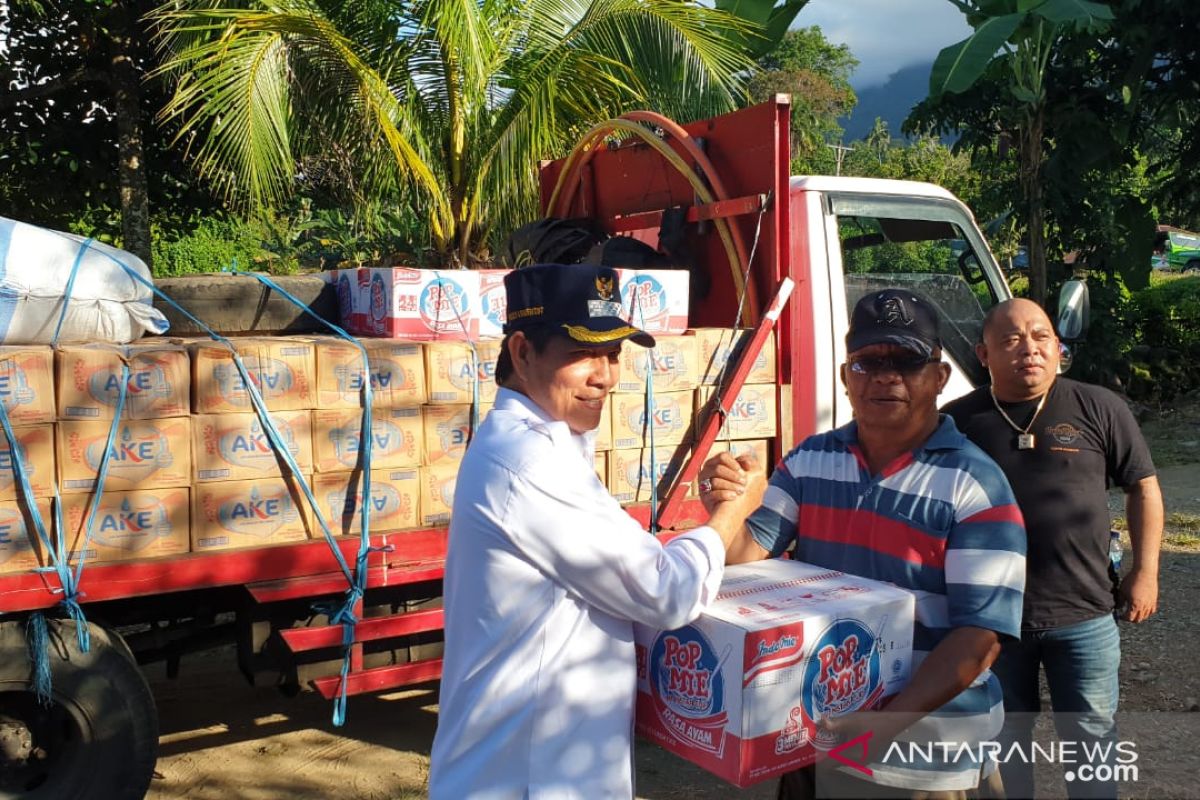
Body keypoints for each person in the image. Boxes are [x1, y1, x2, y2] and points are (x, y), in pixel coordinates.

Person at [428, 263, 766, 799]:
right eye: (582, 353)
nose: (605, 375)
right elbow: (665, 591)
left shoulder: (539, 443)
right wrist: (730, 513)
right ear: (522, 352)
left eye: (613, 355)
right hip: (528, 779)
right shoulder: (530, 462)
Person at [701, 289, 1026, 799]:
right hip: (815, 736)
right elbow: (747, 555)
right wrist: (724, 504)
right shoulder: (810, 460)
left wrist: (885, 725)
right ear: (845, 377)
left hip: (923, 755)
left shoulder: (973, 485)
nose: (885, 376)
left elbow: (980, 637)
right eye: (867, 362)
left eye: (906, 361)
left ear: (939, 378)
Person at [942, 298, 1163, 800]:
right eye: (1012, 339)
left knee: (1090, 738)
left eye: (1041, 337)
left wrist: (1145, 571)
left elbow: (1144, 487)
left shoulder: (1099, 407)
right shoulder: (956, 423)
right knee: (1001, 738)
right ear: (984, 353)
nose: (1030, 349)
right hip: (990, 620)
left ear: (1058, 348)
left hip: (1083, 614)